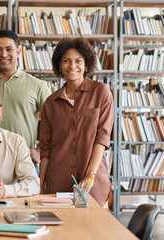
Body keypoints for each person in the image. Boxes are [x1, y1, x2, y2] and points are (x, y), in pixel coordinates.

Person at [39, 37, 114, 207]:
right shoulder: (51, 102)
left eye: (78, 61)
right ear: (59, 65)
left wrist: (90, 175)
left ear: (86, 64)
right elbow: (46, 148)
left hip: (94, 184)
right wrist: (41, 184)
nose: (72, 66)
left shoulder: (101, 92)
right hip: (57, 182)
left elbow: (102, 137)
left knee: (94, 231)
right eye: (66, 61)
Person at [0, 30, 51, 169]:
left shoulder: (38, 85)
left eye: (9, 49)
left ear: (19, 51)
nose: (3, 54)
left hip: (25, 161)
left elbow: (54, 124)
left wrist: (40, 150)